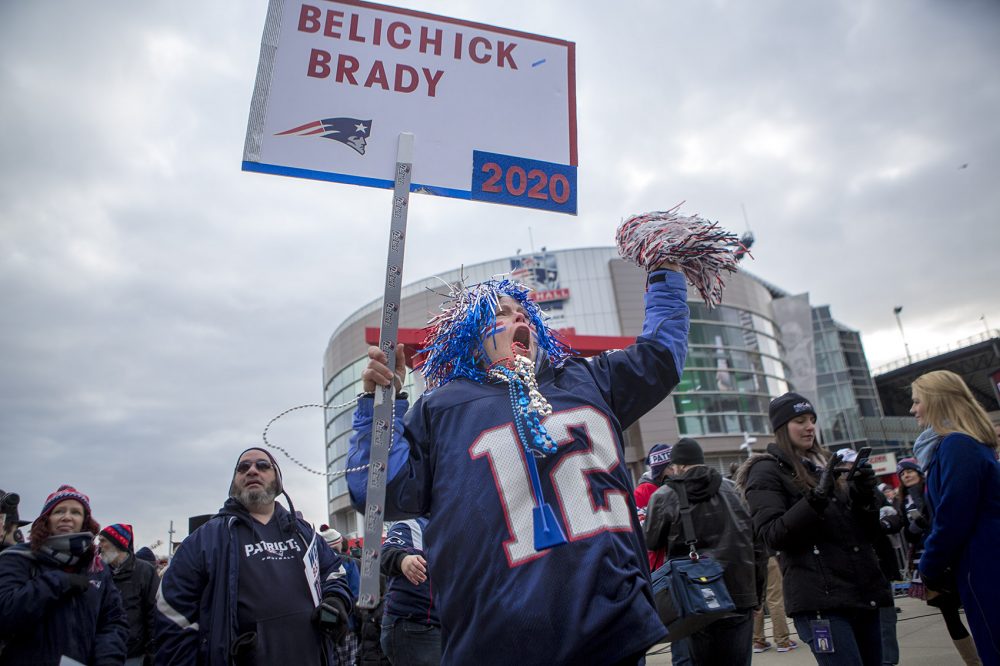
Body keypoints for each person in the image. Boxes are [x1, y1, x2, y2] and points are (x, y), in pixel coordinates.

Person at [348, 261, 689, 664]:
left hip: (612, 630)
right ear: (472, 338)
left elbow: (660, 357)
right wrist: (379, 407)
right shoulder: (442, 408)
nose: (518, 317)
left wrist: (666, 273)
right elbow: (379, 492)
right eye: (500, 313)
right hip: (501, 643)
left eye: (523, 312)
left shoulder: (586, 380)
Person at [155, 447, 354, 665]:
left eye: (262, 466)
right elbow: (171, 610)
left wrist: (335, 600)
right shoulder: (207, 539)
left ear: (277, 480)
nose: (252, 471)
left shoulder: (303, 533)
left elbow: (334, 572)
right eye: (243, 467)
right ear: (234, 484)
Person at [738, 393, 890, 665]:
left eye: (812, 420)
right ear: (782, 427)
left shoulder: (827, 463)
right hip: (821, 602)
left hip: (863, 593)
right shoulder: (766, 471)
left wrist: (865, 495)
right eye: (800, 420)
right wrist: (816, 499)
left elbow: (867, 534)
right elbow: (773, 535)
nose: (809, 426)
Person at [643, 438, 764, 665]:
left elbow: (650, 541)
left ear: (676, 466)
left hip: (696, 595)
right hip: (740, 594)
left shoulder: (664, 496)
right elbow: (757, 546)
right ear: (702, 461)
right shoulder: (734, 491)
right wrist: (757, 594)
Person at [910, 370, 1000, 665]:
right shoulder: (963, 443)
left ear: (936, 402)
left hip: (984, 562)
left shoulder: (957, 445)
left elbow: (953, 514)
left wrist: (929, 565)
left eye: (917, 401)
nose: (912, 410)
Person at [0, 484, 128, 665]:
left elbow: (113, 621)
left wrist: (108, 658)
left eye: (76, 512)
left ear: (85, 521)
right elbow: (5, 613)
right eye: (59, 511)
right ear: (47, 519)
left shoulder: (97, 568)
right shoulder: (18, 558)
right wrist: (56, 581)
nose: (67, 517)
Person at [895, 456, 981, 665]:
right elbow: (906, 534)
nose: (906, 475)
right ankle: (973, 661)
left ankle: (988, 651)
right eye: (902, 473)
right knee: (949, 614)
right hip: (926, 564)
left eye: (909, 471)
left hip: (951, 556)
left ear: (918, 472)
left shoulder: (931, 489)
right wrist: (913, 530)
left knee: (976, 608)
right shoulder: (902, 501)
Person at [379, 517, 440, 666]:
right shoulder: (411, 525)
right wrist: (403, 560)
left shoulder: (450, 527)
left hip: (434, 624)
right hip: (414, 624)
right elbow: (382, 554)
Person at [97, 523, 159, 666]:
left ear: (116, 543)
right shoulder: (98, 570)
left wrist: (152, 653)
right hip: (103, 652)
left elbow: (153, 613)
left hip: (134, 654)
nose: (99, 546)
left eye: (102, 541)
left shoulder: (145, 571)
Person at [322, 527, 361, 666]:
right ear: (338, 543)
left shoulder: (316, 562)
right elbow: (356, 595)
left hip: (324, 625)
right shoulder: (348, 562)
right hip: (348, 625)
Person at [634, 442, 674, 571]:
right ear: (661, 469)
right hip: (657, 565)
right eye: (671, 466)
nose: (675, 469)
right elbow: (645, 533)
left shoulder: (673, 487)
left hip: (674, 559)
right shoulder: (643, 492)